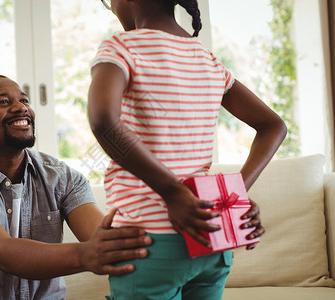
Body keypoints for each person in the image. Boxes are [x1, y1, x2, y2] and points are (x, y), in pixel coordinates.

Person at [87, 0, 287, 299]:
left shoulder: (121, 46)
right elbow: (275, 126)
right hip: (210, 239)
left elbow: (103, 121)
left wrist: (173, 193)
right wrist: (234, 199)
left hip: (148, 242)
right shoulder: (207, 60)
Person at [0, 74, 152, 300]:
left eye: (24, 101)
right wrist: (85, 255)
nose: (20, 108)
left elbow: (100, 237)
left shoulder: (62, 177)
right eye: (3, 102)